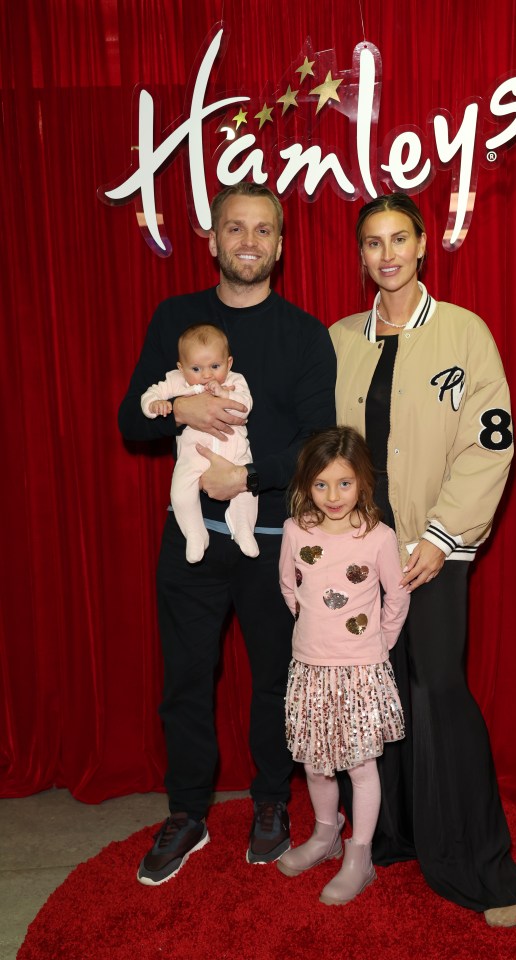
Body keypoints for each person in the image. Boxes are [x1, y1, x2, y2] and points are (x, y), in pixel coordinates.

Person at [118, 182, 336, 885]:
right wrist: (181, 406)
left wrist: (245, 480)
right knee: (185, 680)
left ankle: (272, 803)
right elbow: (131, 420)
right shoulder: (175, 317)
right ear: (211, 240)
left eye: (263, 230)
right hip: (191, 538)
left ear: (280, 244)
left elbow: (317, 444)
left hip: (273, 538)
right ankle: (187, 813)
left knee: (276, 679)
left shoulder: (304, 333)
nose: (249, 241)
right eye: (235, 229)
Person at [329, 192, 516, 927]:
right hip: (358, 557)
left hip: (434, 552)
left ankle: (478, 863)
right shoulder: (340, 338)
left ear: (421, 247)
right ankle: (391, 835)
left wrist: (442, 537)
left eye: (399, 240)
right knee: (375, 696)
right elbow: (323, 452)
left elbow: (491, 440)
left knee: (436, 687)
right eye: (373, 243)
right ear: (361, 256)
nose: (387, 255)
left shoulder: (464, 333)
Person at [277, 426, 409, 905]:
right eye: (321, 484)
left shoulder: (377, 537)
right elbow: (289, 588)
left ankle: (360, 854)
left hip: (359, 671)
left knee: (359, 765)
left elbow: (396, 597)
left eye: (345, 483)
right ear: (306, 485)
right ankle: (325, 836)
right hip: (311, 668)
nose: (333, 496)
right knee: (316, 765)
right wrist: (315, 632)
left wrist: (377, 646)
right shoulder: (296, 531)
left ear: (363, 483)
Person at [141, 323, 259, 562]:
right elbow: (149, 394)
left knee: (247, 490)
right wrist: (156, 406)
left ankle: (243, 528)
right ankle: (195, 533)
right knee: (181, 492)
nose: (207, 374)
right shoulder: (176, 381)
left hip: (234, 453)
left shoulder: (235, 380)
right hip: (193, 455)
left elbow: (245, 407)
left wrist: (225, 394)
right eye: (196, 368)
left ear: (229, 362)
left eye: (215, 366)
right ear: (181, 367)